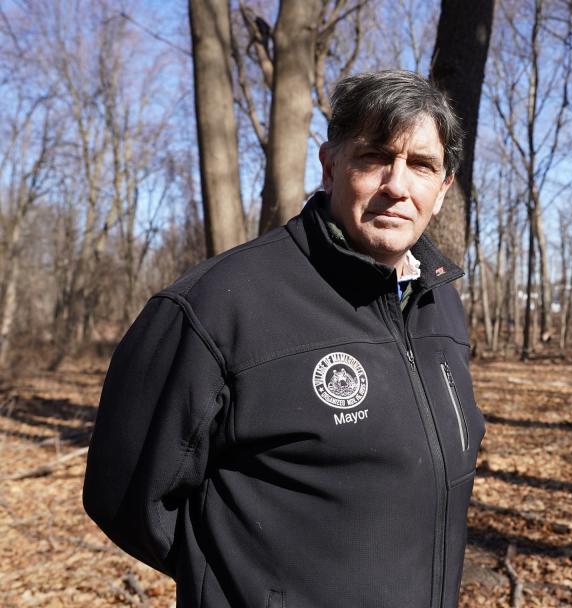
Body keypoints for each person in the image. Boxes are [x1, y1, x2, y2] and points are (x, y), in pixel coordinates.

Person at [83, 70, 485, 608]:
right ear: (330, 166)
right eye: (373, 157)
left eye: (420, 165)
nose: (397, 185)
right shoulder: (219, 306)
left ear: (442, 189)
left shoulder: (440, 305)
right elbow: (125, 496)